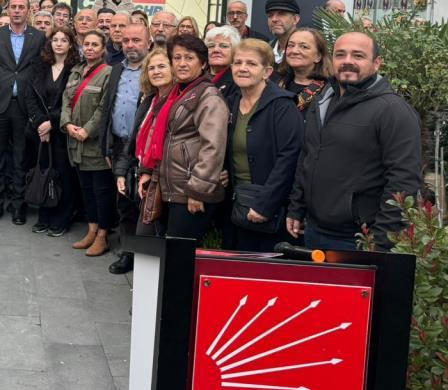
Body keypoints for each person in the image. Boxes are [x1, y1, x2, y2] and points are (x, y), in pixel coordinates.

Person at [287, 32, 421, 250]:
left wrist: (381, 240)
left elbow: (403, 179)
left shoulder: (393, 111)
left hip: (359, 238)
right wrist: (297, 206)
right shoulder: (320, 101)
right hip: (313, 230)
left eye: (358, 56)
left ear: (376, 63)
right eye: (340, 54)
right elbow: (308, 157)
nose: (347, 61)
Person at [137, 35, 228, 240]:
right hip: (171, 187)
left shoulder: (208, 96)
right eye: (177, 58)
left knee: (180, 257)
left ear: (203, 63)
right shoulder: (177, 92)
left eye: (189, 58)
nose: (182, 63)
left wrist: (198, 191)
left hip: (189, 191)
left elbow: (212, 147)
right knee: (168, 254)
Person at [223, 39, 303, 252]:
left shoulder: (283, 106)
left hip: (269, 210)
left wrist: (265, 204)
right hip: (237, 205)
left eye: (251, 63)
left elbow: (290, 158)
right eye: (237, 62)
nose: (242, 68)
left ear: (267, 72)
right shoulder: (230, 101)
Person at [0, 0, 45, 224]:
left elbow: (40, 72)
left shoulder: (38, 37)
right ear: (8, 10)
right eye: (14, 7)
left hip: (24, 106)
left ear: (29, 11)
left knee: (20, 158)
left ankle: (18, 206)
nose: (17, 11)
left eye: (22, 7)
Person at [100, 22, 149, 273]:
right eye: (126, 41)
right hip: (119, 145)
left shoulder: (155, 69)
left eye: (136, 40)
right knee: (124, 202)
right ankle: (128, 253)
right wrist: (107, 147)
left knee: (145, 203)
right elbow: (109, 108)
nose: (130, 45)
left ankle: (146, 257)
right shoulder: (116, 69)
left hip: (144, 148)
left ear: (148, 41)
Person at [62, 30, 113, 256]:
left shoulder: (108, 73)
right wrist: (67, 124)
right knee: (86, 190)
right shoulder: (75, 71)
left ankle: (103, 235)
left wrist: (87, 130)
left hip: (94, 144)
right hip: (75, 142)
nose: (90, 48)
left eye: (95, 44)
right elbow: (65, 100)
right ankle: (91, 230)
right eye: (87, 44)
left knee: (101, 191)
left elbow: (104, 107)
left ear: (103, 49)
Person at [25, 26, 78, 237]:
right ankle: (43, 217)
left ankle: (61, 219)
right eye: (55, 39)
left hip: (62, 130)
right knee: (43, 172)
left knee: (63, 175)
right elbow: (30, 96)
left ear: (70, 44)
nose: (58, 43)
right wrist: (40, 122)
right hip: (39, 131)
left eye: (63, 40)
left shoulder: (76, 69)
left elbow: (73, 101)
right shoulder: (40, 66)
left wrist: (52, 123)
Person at [120, 47, 173, 253]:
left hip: (164, 179)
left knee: (151, 235)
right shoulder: (150, 99)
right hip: (144, 172)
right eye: (151, 68)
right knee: (144, 233)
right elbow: (135, 136)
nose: (156, 71)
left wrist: (149, 173)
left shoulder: (177, 100)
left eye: (162, 66)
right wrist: (123, 171)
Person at [274, 27, 331, 112]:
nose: (294, 51)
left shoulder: (329, 91)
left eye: (304, 47)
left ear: (318, 56)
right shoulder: (274, 83)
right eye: (291, 45)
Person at [205, 25, 241, 100]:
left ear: (234, 51)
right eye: (211, 46)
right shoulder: (196, 76)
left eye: (223, 46)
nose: (216, 50)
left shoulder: (238, 82)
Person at [264, 0, 301, 65]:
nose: (274, 19)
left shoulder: (305, 50)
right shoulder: (265, 50)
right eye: (270, 15)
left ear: (295, 19)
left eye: (281, 14)